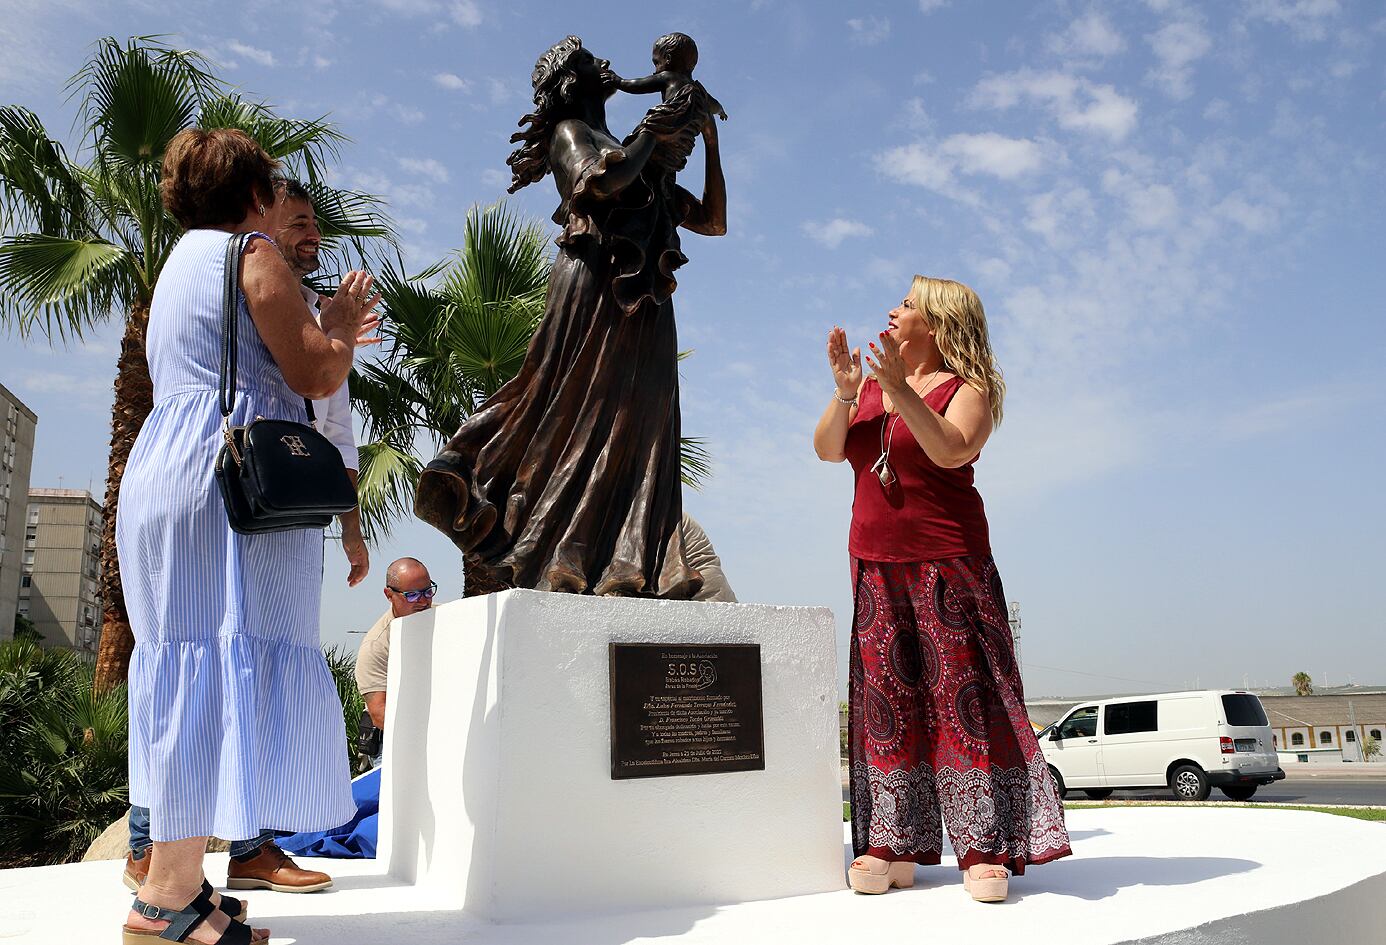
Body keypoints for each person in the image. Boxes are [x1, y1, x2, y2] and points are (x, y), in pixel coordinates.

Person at [115, 128, 378, 943]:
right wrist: (334, 324)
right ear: (256, 193)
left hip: (166, 468)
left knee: (186, 666)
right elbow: (311, 371)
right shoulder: (251, 253)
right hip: (221, 486)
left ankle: (179, 884)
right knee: (210, 662)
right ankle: (164, 900)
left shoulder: (179, 264)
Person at [416, 36, 727, 599]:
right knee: (567, 402)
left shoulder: (636, 150)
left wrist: (708, 139)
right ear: (568, 83)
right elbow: (603, 182)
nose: (605, 65)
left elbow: (712, 220)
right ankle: (513, 515)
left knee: (642, 420)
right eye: (589, 63)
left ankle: (627, 562)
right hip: (595, 285)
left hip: (648, 300)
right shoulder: (571, 134)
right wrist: (655, 130)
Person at [813, 275, 1071, 902]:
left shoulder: (966, 389)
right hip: (876, 563)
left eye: (905, 305)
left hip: (948, 559)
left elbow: (952, 450)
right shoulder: (873, 386)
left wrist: (903, 393)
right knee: (887, 704)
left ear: (934, 321)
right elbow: (826, 452)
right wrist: (846, 395)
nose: (892, 312)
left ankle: (982, 850)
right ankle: (889, 846)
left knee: (963, 698)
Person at [354, 557, 437, 759]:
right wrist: (431, 743)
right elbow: (379, 713)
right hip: (393, 745)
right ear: (389, 595)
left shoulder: (447, 618)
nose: (423, 601)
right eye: (412, 595)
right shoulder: (376, 646)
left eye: (428, 591)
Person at [615, 31, 727, 176]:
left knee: (642, 136)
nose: (654, 69)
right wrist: (721, 111)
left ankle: (622, 172)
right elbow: (715, 105)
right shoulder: (700, 91)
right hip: (682, 145)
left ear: (667, 58)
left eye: (656, 62)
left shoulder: (668, 77)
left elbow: (638, 85)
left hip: (665, 129)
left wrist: (617, 81)